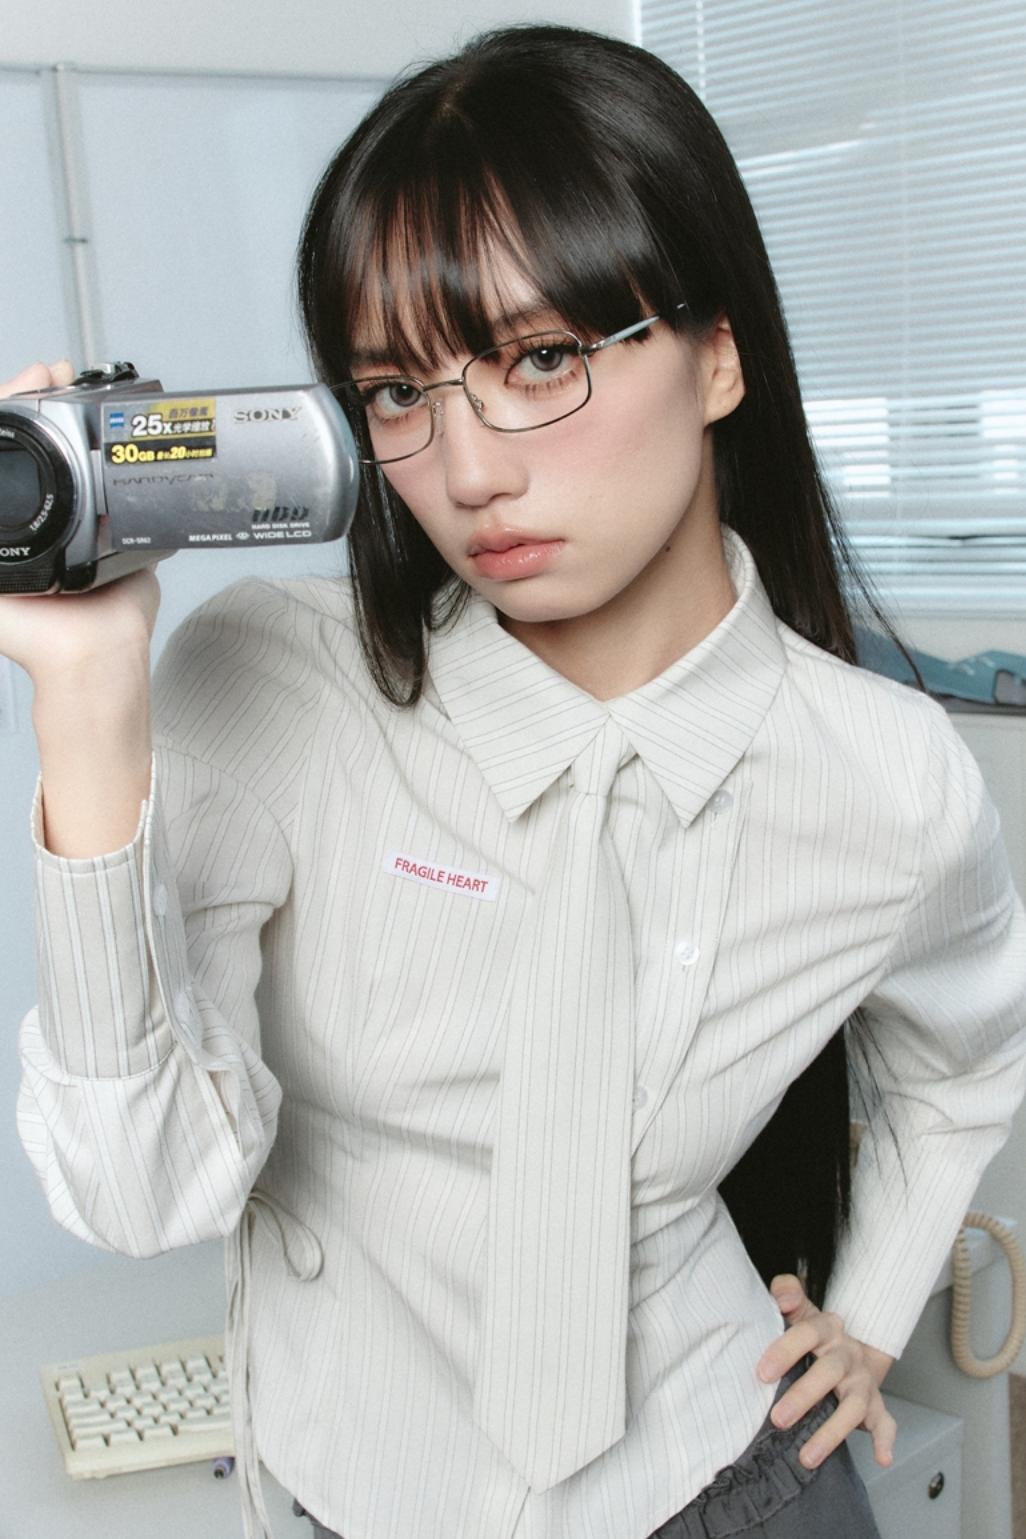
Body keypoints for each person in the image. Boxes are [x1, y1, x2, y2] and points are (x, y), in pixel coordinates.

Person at [5, 23, 1026, 1539]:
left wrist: (871, 1312)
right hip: (348, 1499)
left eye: (542, 360)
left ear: (718, 353)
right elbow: (144, 1197)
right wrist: (87, 701)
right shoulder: (279, 684)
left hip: (726, 1485)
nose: (467, 471)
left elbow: (964, 1062)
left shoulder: (881, 776)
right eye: (396, 392)